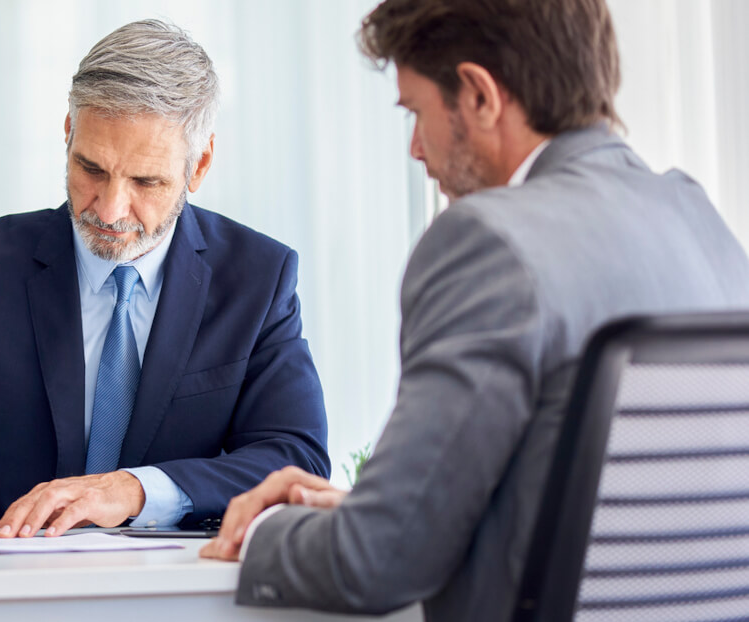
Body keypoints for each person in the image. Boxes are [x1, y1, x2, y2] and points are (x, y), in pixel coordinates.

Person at [199, 1, 749, 620]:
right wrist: (373, 511)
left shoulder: (487, 241)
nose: (414, 148)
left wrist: (265, 528)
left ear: (480, 96)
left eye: (417, 112)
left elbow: (376, 562)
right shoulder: (701, 222)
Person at [0, 19, 329, 541]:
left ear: (200, 166)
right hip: (1, 595)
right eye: (92, 169)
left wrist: (131, 490)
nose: (109, 208)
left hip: (176, 596)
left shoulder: (258, 279)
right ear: (67, 135)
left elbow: (295, 458)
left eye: (145, 181)